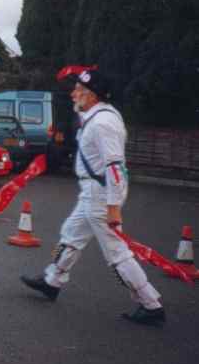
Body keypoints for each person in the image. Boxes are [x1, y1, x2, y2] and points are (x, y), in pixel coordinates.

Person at [20, 68, 165, 326]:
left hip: (100, 196)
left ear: (93, 95)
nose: (74, 93)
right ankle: (52, 281)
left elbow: (114, 166)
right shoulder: (95, 117)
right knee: (71, 233)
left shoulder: (103, 123)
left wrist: (113, 206)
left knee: (117, 252)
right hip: (93, 193)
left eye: (79, 90)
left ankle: (150, 303)